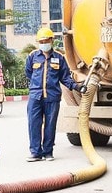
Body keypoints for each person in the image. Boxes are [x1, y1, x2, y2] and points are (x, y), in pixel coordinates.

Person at [25, 27, 79, 162]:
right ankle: (35, 153)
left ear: (51, 41)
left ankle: (48, 152)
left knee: (50, 124)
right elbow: (28, 73)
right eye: (41, 41)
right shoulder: (32, 56)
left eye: (46, 40)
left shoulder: (59, 58)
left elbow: (65, 77)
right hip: (35, 97)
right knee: (34, 124)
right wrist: (36, 86)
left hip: (52, 97)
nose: (44, 43)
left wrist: (76, 86)